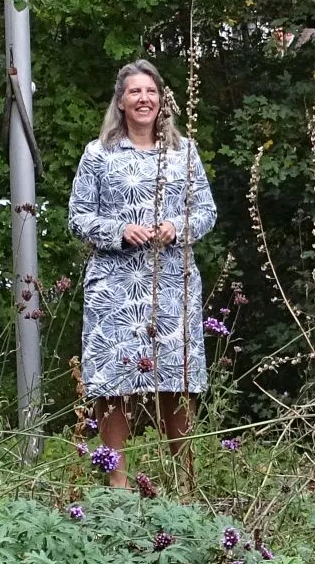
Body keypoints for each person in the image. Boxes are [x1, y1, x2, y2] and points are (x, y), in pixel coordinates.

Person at [67, 60, 216, 487]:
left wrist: (176, 228)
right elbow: (77, 217)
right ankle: (117, 482)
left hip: (171, 281)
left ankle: (184, 479)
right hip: (114, 285)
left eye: (151, 92)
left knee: (176, 377)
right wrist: (119, 230)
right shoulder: (98, 155)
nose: (144, 99)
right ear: (120, 101)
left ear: (162, 100)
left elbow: (206, 212)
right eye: (134, 92)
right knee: (115, 380)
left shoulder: (184, 153)